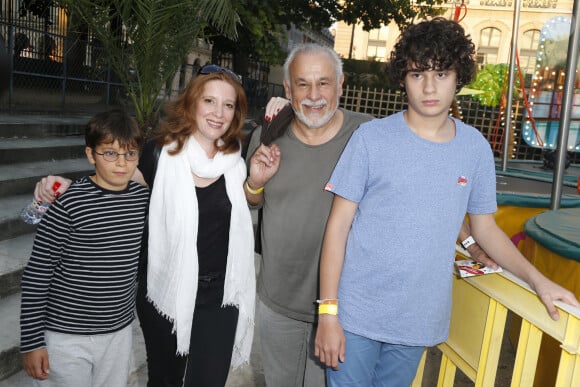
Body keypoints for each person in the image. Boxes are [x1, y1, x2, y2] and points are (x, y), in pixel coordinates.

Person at [313, 17, 580, 386]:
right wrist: (328, 313)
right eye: (417, 74)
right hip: (355, 316)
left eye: (441, 74)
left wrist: (538, 280)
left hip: (417, 320)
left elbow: (486, 228)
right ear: (402, 78)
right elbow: (337, 227)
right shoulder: (370, 139)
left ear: (459, 77)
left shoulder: (474, 150)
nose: (428, 87)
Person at [32, 65, 256, 387]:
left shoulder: (238, 159)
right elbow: (113, 182)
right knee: (164, 380)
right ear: (192, 103)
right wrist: (65, 184)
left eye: (228, 105)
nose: (218, 112)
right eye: (209, 101)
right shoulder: (158, 152)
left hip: (219, 297)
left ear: (236, 113)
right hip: (163, 291)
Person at [20, 108, 150, 386]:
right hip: (65, 337)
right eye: (110, 153)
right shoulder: (69, 204)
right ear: (91, 154)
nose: (121, 163)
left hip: (118, 332)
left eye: (130, 154)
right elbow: (37, 273)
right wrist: (32, 342)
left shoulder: (143, 200)